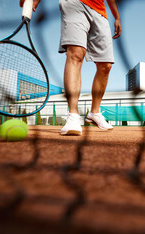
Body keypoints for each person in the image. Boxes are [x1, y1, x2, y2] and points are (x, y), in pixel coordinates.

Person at [19, 0, 121, 136]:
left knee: (106, 65)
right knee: (76, 54)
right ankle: (73, 115)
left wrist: (117, 17)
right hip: (74, 3)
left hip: (100, 12)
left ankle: (94, 113)